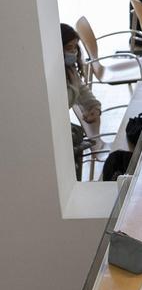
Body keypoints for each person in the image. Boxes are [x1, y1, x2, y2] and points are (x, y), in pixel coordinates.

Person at [61, 24, 101, 180]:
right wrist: (74, 88)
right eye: (69, 47)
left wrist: (95, 108)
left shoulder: (70, 70)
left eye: (75, 47)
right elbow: (60, 103)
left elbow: (85, 95)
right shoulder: (56, 73)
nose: (73, 52)